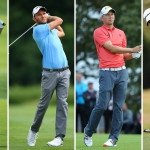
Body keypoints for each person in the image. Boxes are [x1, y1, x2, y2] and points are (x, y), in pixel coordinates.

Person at [84, 6, 141, 147]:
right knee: (102, 105)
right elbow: (112, 48)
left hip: (122, 72)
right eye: (107, 15)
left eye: (112, 14)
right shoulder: (98, 32)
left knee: (118, 107)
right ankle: (88, 131)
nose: (110, 17)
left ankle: (113, 138)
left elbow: (122, 55)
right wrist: (131, 49)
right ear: (102, 17)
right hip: (107, 72)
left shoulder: (121, 33)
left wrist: (134, 54)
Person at [27, 6, 71, 147]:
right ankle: (33, 131)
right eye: (39, 15)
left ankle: (59, 137)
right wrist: (50, 17)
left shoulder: (50, 30)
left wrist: (47, 19)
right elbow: (60, 20)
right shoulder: (38, 30)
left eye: (44, 13)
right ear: (34, 19)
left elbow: (62, 32)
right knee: (43, 105)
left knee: (62, 103)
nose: (43, 16)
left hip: (64, 71)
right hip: (49, 73)